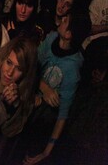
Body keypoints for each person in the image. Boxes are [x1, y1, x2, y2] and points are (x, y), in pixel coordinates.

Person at [20, 13, 87, 165]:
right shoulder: (51, 38)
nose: (62, 19)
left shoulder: (72, 67)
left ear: (70, 34)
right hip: (30, 91)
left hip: (41, 117)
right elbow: (32, 65)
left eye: (66, 21)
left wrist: (46, 152)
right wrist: (43, 86)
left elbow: (63, 113)